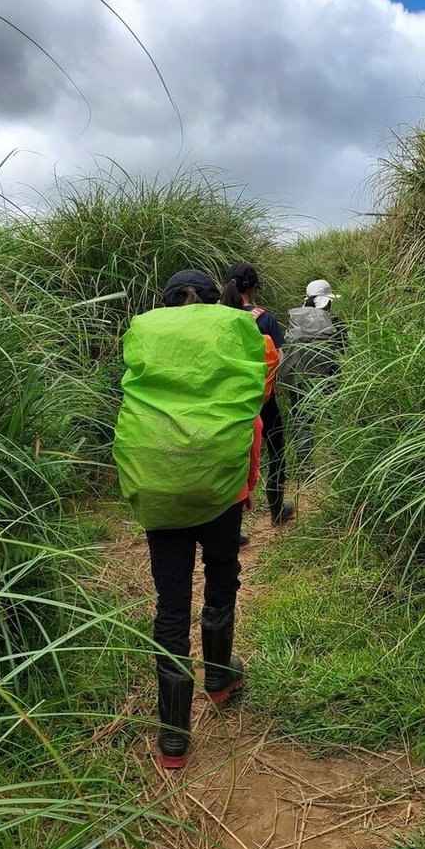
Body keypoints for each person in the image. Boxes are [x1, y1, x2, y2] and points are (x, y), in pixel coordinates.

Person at [112, 269, 267, 770]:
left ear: (164, 304)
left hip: (159, 490)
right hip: (220, 487)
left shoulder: (144, 333)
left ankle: (174, 738)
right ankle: (220, 677)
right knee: (223, 576)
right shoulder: (237, 331)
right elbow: (256, 406)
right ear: (213, 299)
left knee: (171, 606)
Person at [222, 261, 295, 526]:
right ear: (253, 288)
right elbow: (280, 356)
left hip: (225, 399)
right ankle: (277, 508)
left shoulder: (214, 316)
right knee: (276, 449)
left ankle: (231, 523)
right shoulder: (263, 318)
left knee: (228, 454)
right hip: (262, 399)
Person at [280, 279, 346, 469]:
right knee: (334, 416)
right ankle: (337, 461)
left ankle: (304, 466)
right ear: (326, 300)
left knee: (302, 419)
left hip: (297, 375)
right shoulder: (335, 321)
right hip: (328, 376)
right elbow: (344, 350)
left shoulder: (295, 319)